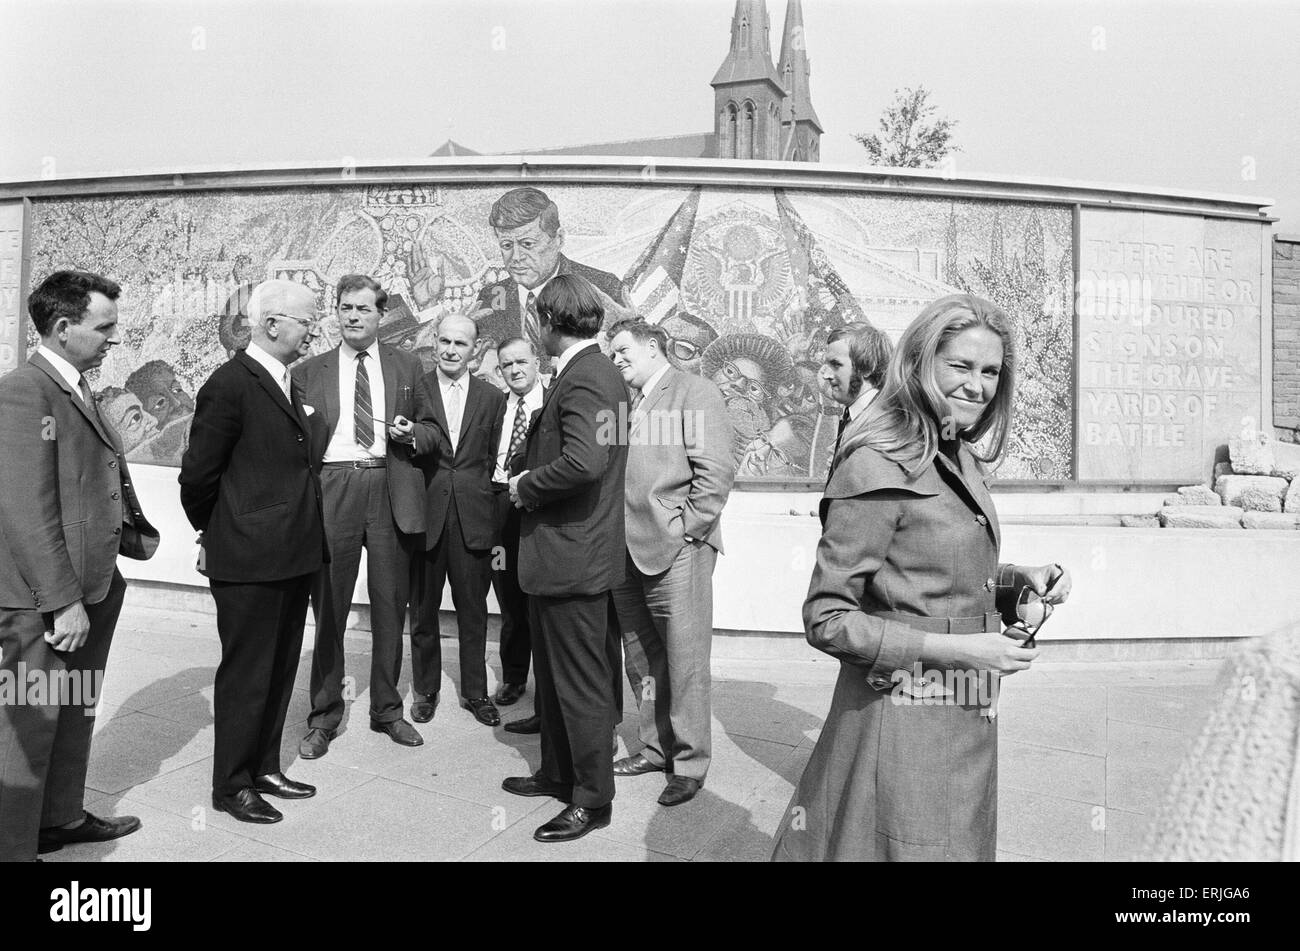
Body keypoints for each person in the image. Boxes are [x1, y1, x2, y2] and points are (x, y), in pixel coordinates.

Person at [770, 293, 1072, 862]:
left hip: (964, 713)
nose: (977, 385)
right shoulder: (877, 464)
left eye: (990, 372)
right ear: (919, 363)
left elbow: (931, 572)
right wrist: (965, 652)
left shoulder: (957, 454)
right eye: (960, 366)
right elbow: (828, 619)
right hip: (902, 720)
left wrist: (1015, 582)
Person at [0, 270, 159, 862]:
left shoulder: (75, 385)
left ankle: (60, 818)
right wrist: (61, 601)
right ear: (64, 328)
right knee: (28, 723)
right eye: (104, 327)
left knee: (74, 710)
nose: (113, 338)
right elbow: (24, 507)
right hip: (45, 601)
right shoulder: (24, 392)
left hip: (92, 587)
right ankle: (13, 847)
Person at [179, 278, 327, 825]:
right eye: (307, 321)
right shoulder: (230, 383)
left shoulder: (287, 380)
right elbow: (198, 478)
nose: (315, 330)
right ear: (271, 324)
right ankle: (231, 784)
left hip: (293, 552)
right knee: (247, 673)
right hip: (249, 558)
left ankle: (264, 766)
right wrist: (219, 533)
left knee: (279, 667)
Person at [501, 273, 629, 843]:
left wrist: (526, 484)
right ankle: (558, 773)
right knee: (554, 681)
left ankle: (591, 799)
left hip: (573, 556)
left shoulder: (588, 378)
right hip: (569, 557)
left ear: (547, 322)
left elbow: (586, 463)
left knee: (580, 685)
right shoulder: (596, 372)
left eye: (535, 319)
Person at [294, 275, 427, 759]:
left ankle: (388, 710)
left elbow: (432, 431)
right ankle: (325, 715)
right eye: (346, 307)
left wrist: (413, 433)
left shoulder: (409, 365)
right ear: (337, 312)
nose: (353, 316)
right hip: (334, 487)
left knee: (391, 603)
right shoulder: (309, 371)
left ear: (380, 315)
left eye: (363, 309)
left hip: (390, 485)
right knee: (328, 605)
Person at [607, 318, 735, 806]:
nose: (616, 360)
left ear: (654, 346)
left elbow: (716, 472)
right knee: (640, 657)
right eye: (612, 353)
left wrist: (686, 532)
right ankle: (655, 747)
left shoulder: (693, 391)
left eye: (622, 351)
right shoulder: (624, 404)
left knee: (684, 661)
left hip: (678, 551)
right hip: (624, 550)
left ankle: (689, 763)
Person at [409, 313, 506, 727]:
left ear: (475, 349)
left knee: (473, 611)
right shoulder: (416, 390)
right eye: (445, 341)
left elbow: (491, 458)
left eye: (460, 344)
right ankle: (426, 690)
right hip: (427, 517)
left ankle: (475, 692)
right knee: (424, 611)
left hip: (473, 518)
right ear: (435, 343)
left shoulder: (492, 397)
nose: (451, 350)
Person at [474, 186, 631, 368]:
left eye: (527, 244)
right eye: (507, 245)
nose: (516, 257)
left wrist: (629, 331)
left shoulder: (603, 287)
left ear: (559, 239)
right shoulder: (493, 295)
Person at [489, 337, 545, 726]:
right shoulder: (496, 406)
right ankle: (512, 678)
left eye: (521, 362)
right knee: (508, 596)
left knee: (539, 601)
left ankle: (549, 687)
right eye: (507, 365)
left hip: (539, 511)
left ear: (536, 362)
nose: (515, 370)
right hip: (499, 511)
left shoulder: (553, 402)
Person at [819, 321, 893, 478]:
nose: (826, 375)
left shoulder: (885, 425)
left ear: (866, 368)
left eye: (836, 365)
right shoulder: (854, 415)